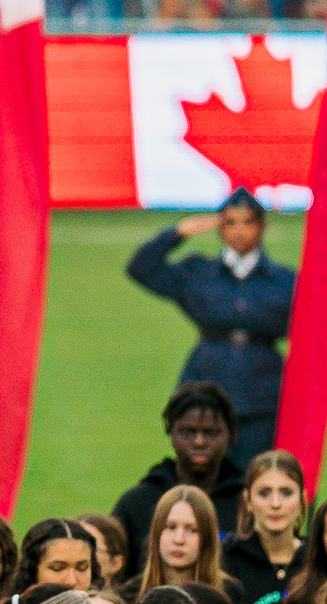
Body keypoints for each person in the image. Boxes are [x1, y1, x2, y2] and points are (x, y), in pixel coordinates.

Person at [126, 191, 297, 463]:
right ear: (220, 227)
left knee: (254, 476)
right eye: (230, 223)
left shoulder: (285, 281)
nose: (239, 231)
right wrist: (179, 232)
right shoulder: (198, 273)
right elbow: (141, 268)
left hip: (263, 391)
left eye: (247, 222)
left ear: (262, 226)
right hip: (206, 387)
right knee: (202, 477)